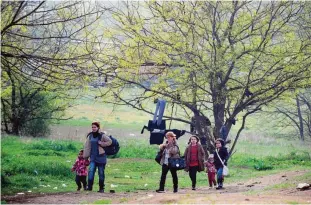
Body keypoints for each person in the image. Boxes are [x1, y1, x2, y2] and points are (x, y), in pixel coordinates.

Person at [83, 122, 112, 193]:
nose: (93, 128)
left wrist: (102, 143)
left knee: (101, 173)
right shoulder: (90, 136)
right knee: (91, 172)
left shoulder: (102, 135)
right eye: (92, 127)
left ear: (98, 128)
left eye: (95, 127)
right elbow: (87, 147)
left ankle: (101, 188)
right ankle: (89, 187)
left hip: (101, 158)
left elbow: (110, 141)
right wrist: (86, 157)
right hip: (93, 158)